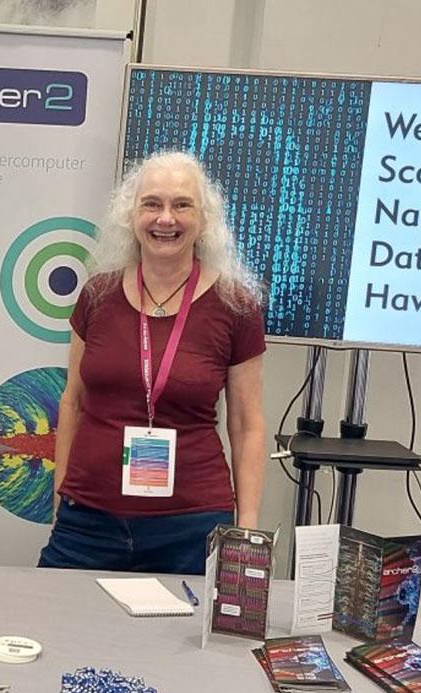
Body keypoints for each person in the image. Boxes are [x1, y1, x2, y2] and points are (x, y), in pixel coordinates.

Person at [38, 150, 266, 574]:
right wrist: (60, 497)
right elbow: (71, 402)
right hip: (87, 521)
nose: (166, 219)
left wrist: (245, 529)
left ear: (203, 220)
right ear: (131, 215)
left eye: (182, 205)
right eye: (152, 204)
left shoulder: (236, 306)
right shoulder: (96, 296)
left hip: (192, 526)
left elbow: (247, 424)